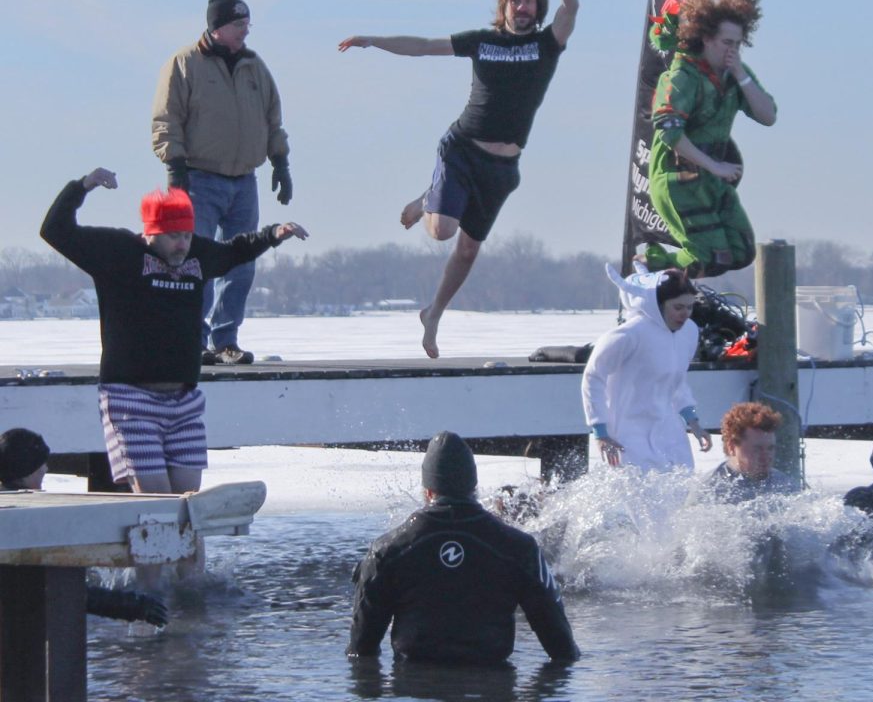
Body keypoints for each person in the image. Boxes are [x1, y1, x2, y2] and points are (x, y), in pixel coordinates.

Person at [337, 0, 578, 359]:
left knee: (468, 250)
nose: (522, 7)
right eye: (515, 0)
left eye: (530, 2)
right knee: (444, 231)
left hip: (503, 168)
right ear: (503, 5)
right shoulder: (482, 42)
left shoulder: (546, 46)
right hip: (463, 148)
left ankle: (434, 313)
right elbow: (424, 46)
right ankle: (431, 198)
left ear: (536, 10)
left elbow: (572, 8)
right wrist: (375, 40)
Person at [40, 167, 308, 495]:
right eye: (173, 237)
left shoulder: (196, 255)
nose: (182, 245)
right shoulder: (118, 252)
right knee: (156, 501)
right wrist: (82, 186)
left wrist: (272, 234)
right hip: (131, 398)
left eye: (186, 235)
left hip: (183, 400)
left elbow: (235, 250)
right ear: (151, 233)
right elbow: (55, 230)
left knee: (188, 500)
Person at [347, 431, 580, 664]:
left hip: (414, 687)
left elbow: (361, 650)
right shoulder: (519, 548)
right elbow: (562, 649)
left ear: (427, 491)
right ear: (474, 486)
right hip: (492, 686)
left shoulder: (386, 551)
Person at [152, 0, 293, 366]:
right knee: (196, 261)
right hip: (199, 178)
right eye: (238, 24)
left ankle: (225, 339)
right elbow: (166, 120)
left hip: (244, 180)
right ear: (216, 27)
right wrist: (175, 167)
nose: (245, 31)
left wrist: (281, 162)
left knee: (242, 262)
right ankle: (191, 339)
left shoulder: (254, 66)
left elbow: (272, 118)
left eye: (247, 24)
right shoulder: (185, 63)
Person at [643, 0, 776, 277]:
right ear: (706, 38)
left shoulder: (735, 74)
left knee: (741, 252)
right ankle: (653, 264)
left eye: (738, 44)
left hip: (714, 180)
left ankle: (668, 272)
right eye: (727, 43)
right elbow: (669, 132)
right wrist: (714, 166)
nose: (733, 51)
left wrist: (741, 76)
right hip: (679, 178)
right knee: (711, 256)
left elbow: (768, 116)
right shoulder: (682, 76)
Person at [0, 427, 169, 627]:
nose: (46, 469)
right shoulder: (26, 522)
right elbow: (56, 587)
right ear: (25, 472)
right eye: (41, 467)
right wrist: (131, 605)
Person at [581, 264, 713, 472]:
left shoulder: (689, 332)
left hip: (668, 429)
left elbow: (677, 381)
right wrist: (600, 432)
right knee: (635, 495)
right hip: (628, 433)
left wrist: (693, 421)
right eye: (677, 308)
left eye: (689, 307)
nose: (685, 314)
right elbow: (593, 376)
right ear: (657, 305)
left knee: (682, 490)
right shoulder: (628, 335)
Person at [704, 402, 799, 503]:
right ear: (731, 447)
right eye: (757, 449)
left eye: (770, 448)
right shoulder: (710, 490)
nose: (766, 457)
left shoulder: (785, 486)